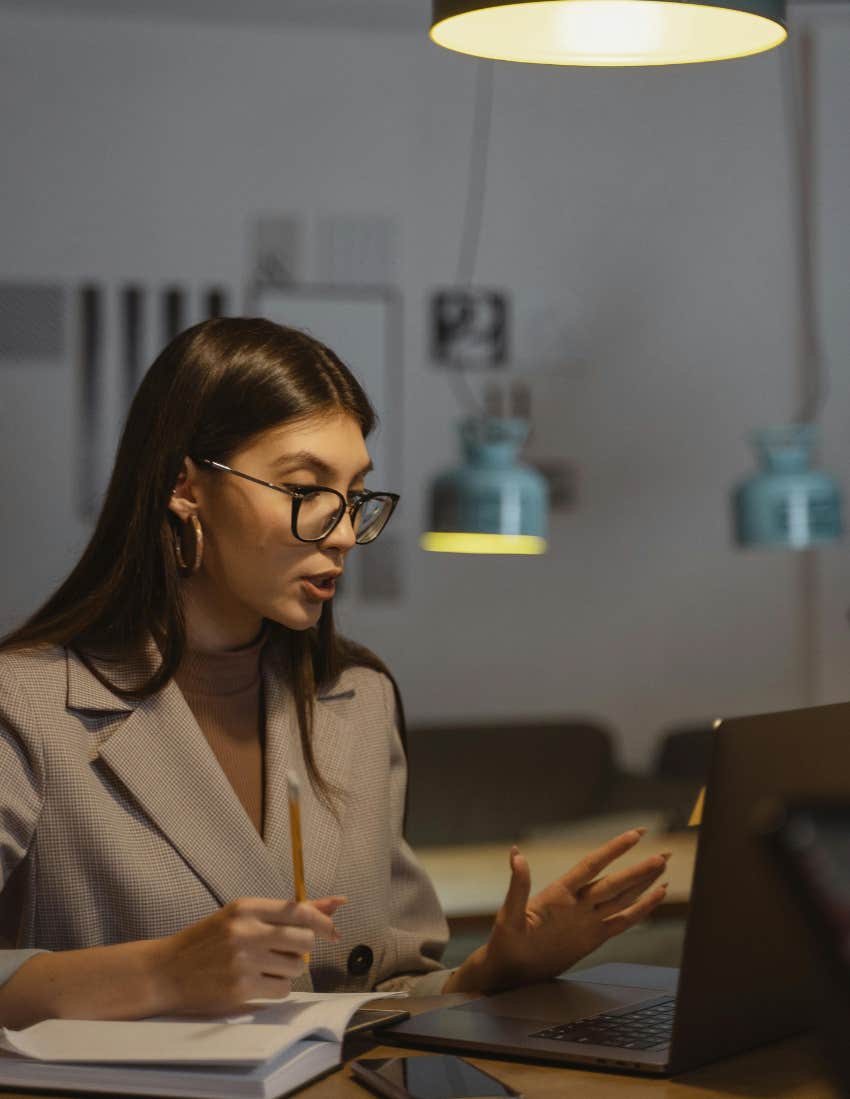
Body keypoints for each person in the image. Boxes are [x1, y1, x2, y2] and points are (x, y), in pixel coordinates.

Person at [0, 318, 668, 1029]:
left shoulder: (357, 700)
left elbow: (386, 987)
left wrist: (496, 967)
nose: (346, 531)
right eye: (305, 487)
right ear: (184, 486)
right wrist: (160, 971)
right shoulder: (29, 703)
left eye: (353, 493)